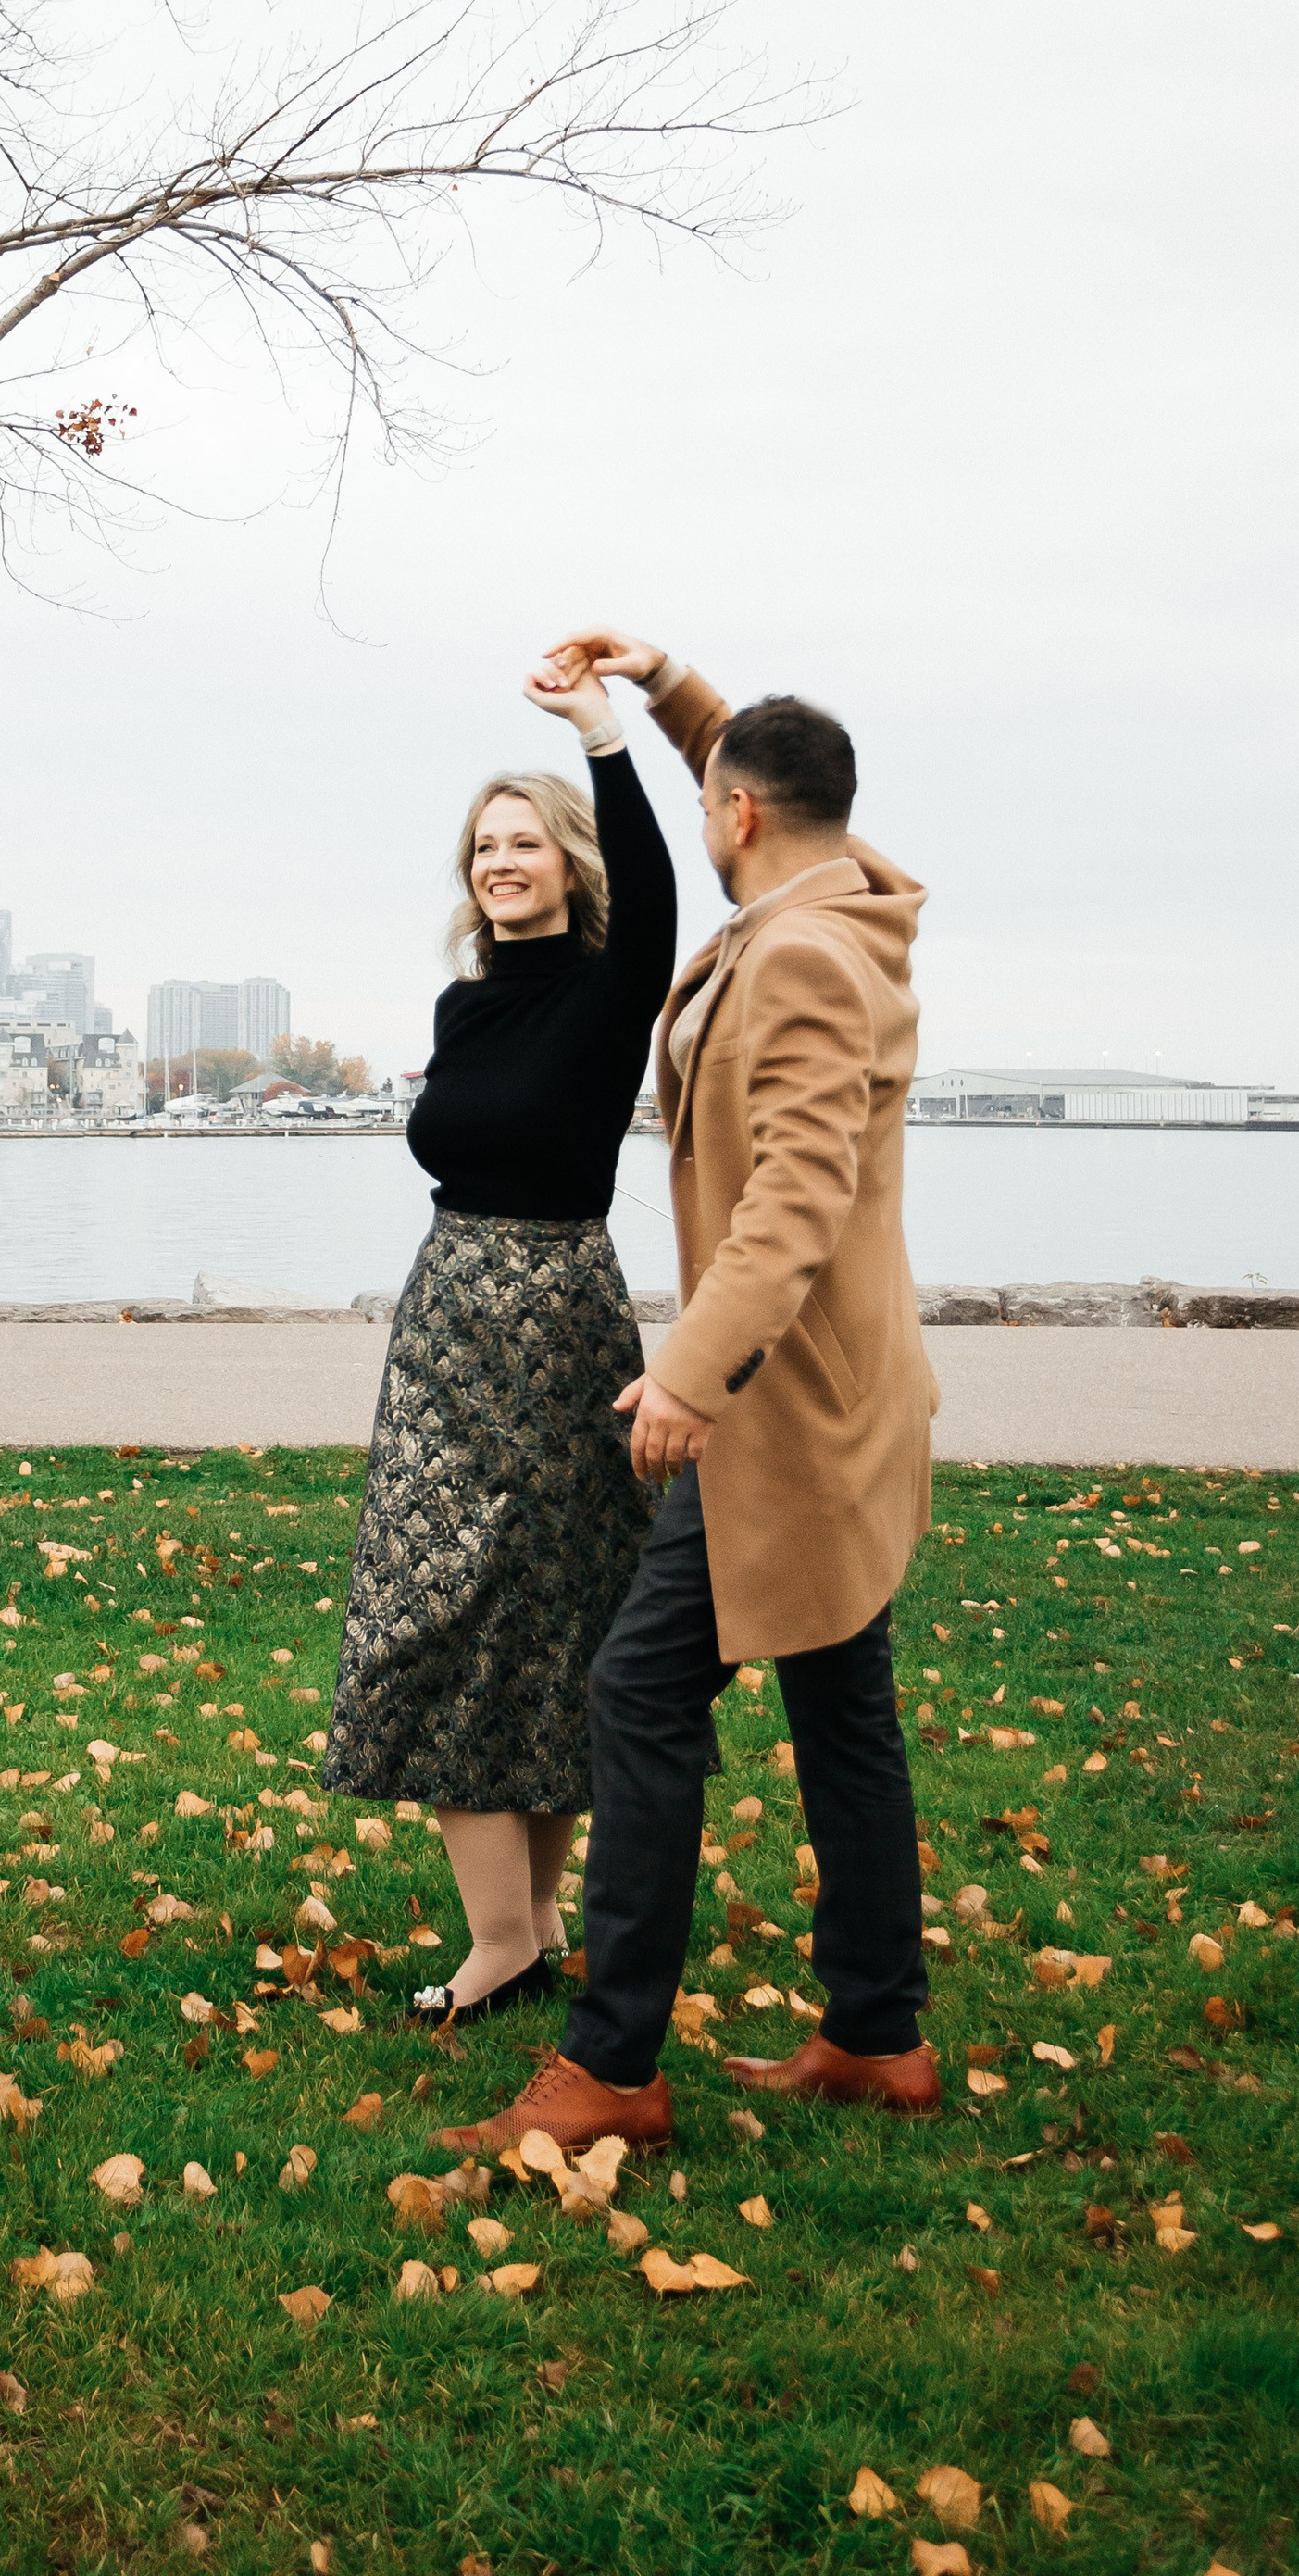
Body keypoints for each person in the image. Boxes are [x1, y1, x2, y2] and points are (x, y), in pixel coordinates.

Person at [439, 630, 939, 2158]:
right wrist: (674, 697)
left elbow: (794, 1191)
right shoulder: (858, 906)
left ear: (730, 819)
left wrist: (685, 1372)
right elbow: (780, 790)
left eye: (712, 788)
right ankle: (876, 2034)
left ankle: (610, 2071)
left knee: (636, 1694)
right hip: (850, 1398)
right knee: (843, 1711)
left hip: (781, 1411)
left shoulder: (794, 954)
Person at [320, 649, 678, 2027]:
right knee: (442, 1610)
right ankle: (514, 1935)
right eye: (483, 846)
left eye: (524, 842)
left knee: (543, 1617)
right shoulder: (465, 1002)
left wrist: (600, 732)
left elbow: (652, 893)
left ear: (569, 862)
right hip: (448, 1326)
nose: (500, 862)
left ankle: (511, 1946)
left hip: (559, 1322)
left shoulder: (604, 987)